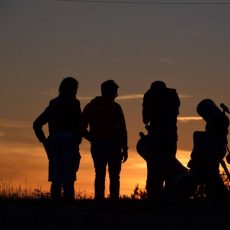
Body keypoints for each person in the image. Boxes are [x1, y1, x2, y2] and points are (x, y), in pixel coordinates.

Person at [33, 77, 82, 201]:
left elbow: (37, 124)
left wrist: (45, 141)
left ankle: (56, 206)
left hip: (55, 141)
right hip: (68, 141)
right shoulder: (74, 104)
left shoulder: (54, 104)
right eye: (75, 89)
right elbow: (80, 124)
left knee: (57, 177)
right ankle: (67, 205)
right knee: (68, 178)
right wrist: (78, 138)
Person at [82, 80, 128, 201]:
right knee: (113, 176)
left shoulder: (91, 106)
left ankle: (100, 202)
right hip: (112, 145)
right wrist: (125, 147)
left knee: (100, 174)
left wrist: (92, 139)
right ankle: (113, 202)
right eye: (115, 92)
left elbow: (81, 128)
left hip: (100, 145)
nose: (116, 95)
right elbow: (123, 129)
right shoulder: (115, 107)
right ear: (110, 92)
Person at [142, 81, 180, 199]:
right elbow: (176, 113)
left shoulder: (150, 96)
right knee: (169, 166)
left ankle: (153, 197)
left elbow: (145, 119)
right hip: (170, 137)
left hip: (156, 137)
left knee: (154, 167)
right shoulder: (172, 95)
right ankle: (170, 196)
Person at [187, 99, 229, 198]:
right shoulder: (219, 120)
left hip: (211, 153)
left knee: (210, 177)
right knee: (212, 178)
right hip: (213, 152)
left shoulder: (217, 121)